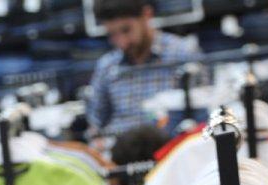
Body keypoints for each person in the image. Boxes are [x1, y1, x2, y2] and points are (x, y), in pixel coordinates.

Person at [86, 0, 202, 137]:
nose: (122, 43)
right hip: (120, 145)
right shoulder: (106, 66)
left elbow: (202, 116)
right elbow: (96, 124)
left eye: (126, 30)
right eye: (112, 34)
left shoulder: (184, 53)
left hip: (171, 144)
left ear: (147, 14)